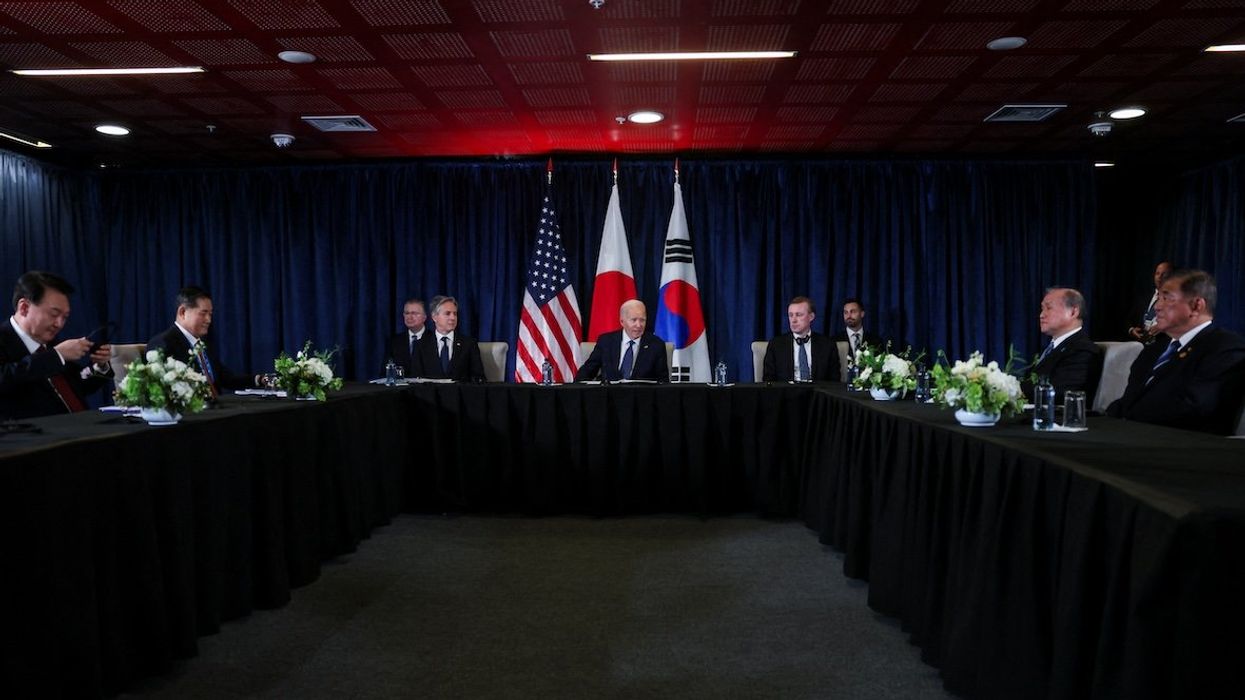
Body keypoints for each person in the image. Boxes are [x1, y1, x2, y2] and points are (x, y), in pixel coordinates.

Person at [1108, 269, 1245, 435]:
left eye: (1166, 298)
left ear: (1196, 305)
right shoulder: (1154, 349)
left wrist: (1128, 418)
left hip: (1185, 446)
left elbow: (1194, 407)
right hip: (1134, 435)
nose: (1157, 306)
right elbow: (1130, 399)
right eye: (1158, 297)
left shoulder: (1225, 347)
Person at [0, 270, 114, 419]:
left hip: (80, 431)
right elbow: (5, 378)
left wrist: (100, 366)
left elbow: (76, 386)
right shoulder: (4, 339)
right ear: (24, 308)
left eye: (65, 317)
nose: (59, 324)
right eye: (54, 314)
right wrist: (56, 355)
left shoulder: (51, 344)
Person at [146, 286, 257, 396]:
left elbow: (226, 379)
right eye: (203, 313)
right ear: (183, 312)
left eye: (210, 314)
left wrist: (259, 379)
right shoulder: (163, 343)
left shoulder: (202, 344)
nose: (208, 320)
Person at [1021, 287, 1103, 404]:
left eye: (1049, 308)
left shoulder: (1083, 349)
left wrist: (1016, 391)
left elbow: (1061, 391)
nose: (1041, 315)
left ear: (1073, 312)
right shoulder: (1053, 348)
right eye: (1042, 309)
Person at [575, 299, 668, 382]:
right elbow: (587, 372)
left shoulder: (656, 345)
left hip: (642, 397)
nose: (639, 325)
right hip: (610, 397)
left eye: (642, 320)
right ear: (622, 321)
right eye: (634, 320)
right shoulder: (606, 342)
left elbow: (663, 382)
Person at [762, 296, 840, 382]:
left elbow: (834, 381)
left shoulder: (827, 345)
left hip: (817, 394)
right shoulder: (776, 345)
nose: (793, 320)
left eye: (799, 315)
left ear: (811, 317)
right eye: (791, 315)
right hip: (786, 393)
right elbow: (768, 380)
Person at [416, 295, 486, 382]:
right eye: (447, 313)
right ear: (434, 317)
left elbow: (479, 378)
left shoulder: (469, 344)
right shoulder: (421, 345)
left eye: (455, 314)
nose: (453, 318)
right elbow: (415, 379)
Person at [1128, 260, 1173, 342]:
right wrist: (1131, 330)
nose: (1159, 277)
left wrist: (1165, 327)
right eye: (1157, 273)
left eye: (1164, 274)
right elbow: (1128, 319)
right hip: (1139, 344)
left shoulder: (1178, 300)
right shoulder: (1145, 297)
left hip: (1162, 345)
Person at [385, 298, 426, 377]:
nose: (410, 317)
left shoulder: (434, 339)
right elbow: (386, 373)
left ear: (424, 317)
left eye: (414, 313)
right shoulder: (394, 342)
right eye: (407, 313)